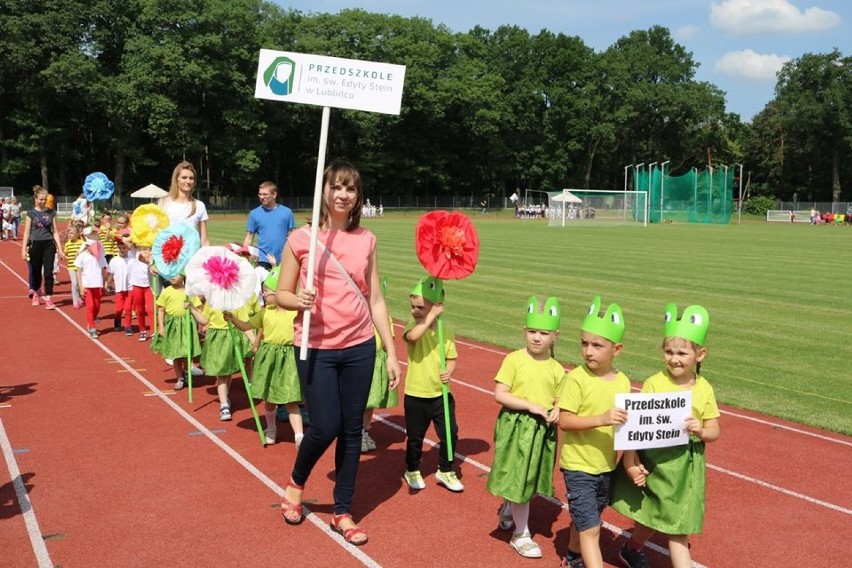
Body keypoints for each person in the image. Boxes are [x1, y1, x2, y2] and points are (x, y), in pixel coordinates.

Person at [274, 159, 400, 545]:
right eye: (337, 187)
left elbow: (376, 298)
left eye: (351, 188)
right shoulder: (301, 239)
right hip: (316, 346)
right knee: (325, 426)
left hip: (360, 346)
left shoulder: (367, 240)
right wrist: (300, 299)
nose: (344, 194)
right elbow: (280, 295)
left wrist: (391, 353)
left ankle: (343, 511)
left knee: (351, 431)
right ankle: (297, 482)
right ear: (323, 193)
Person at [610, 305, 720, 568]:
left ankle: (631, 547)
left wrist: (701, 430)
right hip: (656, 463)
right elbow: (635, 428)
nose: (674, 359)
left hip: (685, 467)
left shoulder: (704, 388)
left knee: (668, 517)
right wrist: (631, 462)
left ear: (700, 355)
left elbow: (714, 430)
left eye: (682, 353)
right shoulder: (654, 383)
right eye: (669, 352)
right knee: (670, 521)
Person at [487, 297, 566, 559]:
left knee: (529, 477)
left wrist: (557, 408)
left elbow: (559, 398)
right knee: (519, 475)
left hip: (541, 431)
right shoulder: (514, 360)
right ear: (524, 331)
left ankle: (509, 506)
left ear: (555, 336)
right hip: (516, 426)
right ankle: (521, 534)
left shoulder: (556, 368)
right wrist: (530, 406)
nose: (536, 338)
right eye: (532, 332)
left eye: (544, 333)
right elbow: (500, 393)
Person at [558, 296, 631, 568]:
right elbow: (565, 420)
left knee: (585, 519)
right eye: (585, 343)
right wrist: (601, 418)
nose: (589, 351)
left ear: (617, 349)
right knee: (592, 529)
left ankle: (573, 557)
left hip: (606, 466)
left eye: (597, 345)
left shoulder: (622, 381)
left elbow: (627, 425)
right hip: (579, 467)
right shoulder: (576, 378)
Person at [225, 267, 303, 447]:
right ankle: (271, 428)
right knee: (269, 397)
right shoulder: (264, 312)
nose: (264, 295)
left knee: (291, 398)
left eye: (267, 292)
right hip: (269, 357)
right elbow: (246, 326)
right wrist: (232, 318)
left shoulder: (295, 312)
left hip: (289, 356)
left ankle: (299, 436)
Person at [401, 275, 463, 493]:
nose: (415, 311)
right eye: (412, 306)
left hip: (440, 394)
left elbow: (452, 358)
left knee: (450, 433)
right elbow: (414, 337)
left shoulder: (446, 332)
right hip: (416, 394)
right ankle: (412, 469)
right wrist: (428, 317)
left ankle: (445, 469)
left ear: (436, 306)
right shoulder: (412, 326)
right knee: (415, 437)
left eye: (420, 307)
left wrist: (449, 371)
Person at [189, 295, 258, 421]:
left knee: (228, 371)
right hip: (217, 338)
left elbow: (243, 324)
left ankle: (224, 397)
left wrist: (253, 340)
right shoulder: (213, 300)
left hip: (232, 337)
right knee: (222, 373)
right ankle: (224, 404)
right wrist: (192, 308)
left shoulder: (238, 301)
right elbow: (204, 320)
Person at [361, 276, 397, 453]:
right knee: (360, 400)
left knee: (372, 401)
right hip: (364, 358)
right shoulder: (359, 312)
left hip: (378, 360)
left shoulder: (383, 315)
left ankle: (365, 430)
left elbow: (389, 337)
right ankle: (356, 432)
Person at [151, 274, 202, 390]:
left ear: (183, 275)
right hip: (173, 325)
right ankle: (180, 378)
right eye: (170, 274)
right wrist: (161, 327)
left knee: (186, 351)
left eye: (176, 274)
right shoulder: (167, 291)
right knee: (176, 353)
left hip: (186, 325)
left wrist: (192, 306)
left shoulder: (189, 291)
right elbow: (161, 309)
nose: (172, 277)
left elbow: (198, 307)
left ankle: (186, 372)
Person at [21, 185, 65, 309]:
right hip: (35, 244)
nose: (43, 201)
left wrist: (60, 249)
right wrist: (23, 249)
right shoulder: (31, 213)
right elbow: (27, 232)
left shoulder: (51, 212)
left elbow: (55, 231)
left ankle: (49, 297)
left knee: (48, 272)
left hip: (48, 244)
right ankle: (35, 292)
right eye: (40, 199)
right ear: (35, 199)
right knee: (35, 271)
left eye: (45, 199)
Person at [242, 181, 295, 270]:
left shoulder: (287, 212)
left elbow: (292, 235)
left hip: (283, 258)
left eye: (265, 194)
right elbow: (249, 237)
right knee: (264, 284)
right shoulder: (254, 214)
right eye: (260, 194)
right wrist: (243, 256)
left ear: (274, 194)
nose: (262, 197)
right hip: (263, 259)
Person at [158, 161, 210, 246]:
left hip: (192, 256)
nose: (188, 181)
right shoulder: (164, 203)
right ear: (176, 179)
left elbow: (204, 241)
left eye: (191, 178)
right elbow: (157, 234)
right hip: (168, 256)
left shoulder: (199, 205)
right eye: (184, 177)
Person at [74, 230, 108, 338]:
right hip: (87, 285)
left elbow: (104, 270)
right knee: (90, 306)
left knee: (97, 307)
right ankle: (92, 328)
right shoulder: (82, 256)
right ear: (88, 245)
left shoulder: (101, 257)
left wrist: (105, 284)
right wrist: (80, 286)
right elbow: (78, 271)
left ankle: (91, 320)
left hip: (97, 285)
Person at [127, 247, 154, 341]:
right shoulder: (136, 251)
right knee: (140, 309)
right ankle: (142, 330)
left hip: (149, 285)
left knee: (151, 309)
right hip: (137, 285)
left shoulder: (154, 251)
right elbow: (127, 241)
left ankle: (154, 331)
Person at [109, 240, 132, 330]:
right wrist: (109, 284)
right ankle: (117, 319)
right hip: (119, 288)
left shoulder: (131, 260)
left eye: (124, 248)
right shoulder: (114, 260)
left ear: (128, 249)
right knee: (119, 309)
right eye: (120, 248)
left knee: (128, 308)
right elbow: (110, 273)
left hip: (130, 288)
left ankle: (128, 326)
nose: (122, 250)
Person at [64, 224, 85, 309]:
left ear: (77, 234)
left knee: (81, 284)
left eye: (72, 233)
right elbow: (65, 254)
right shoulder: (67, 244)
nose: (70, 234)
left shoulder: (82, 243)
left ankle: (80, 298)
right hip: (71, 267)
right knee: (74, 284)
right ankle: (75, 302)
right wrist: (66, 256)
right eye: (69, 233)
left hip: (81, 267)